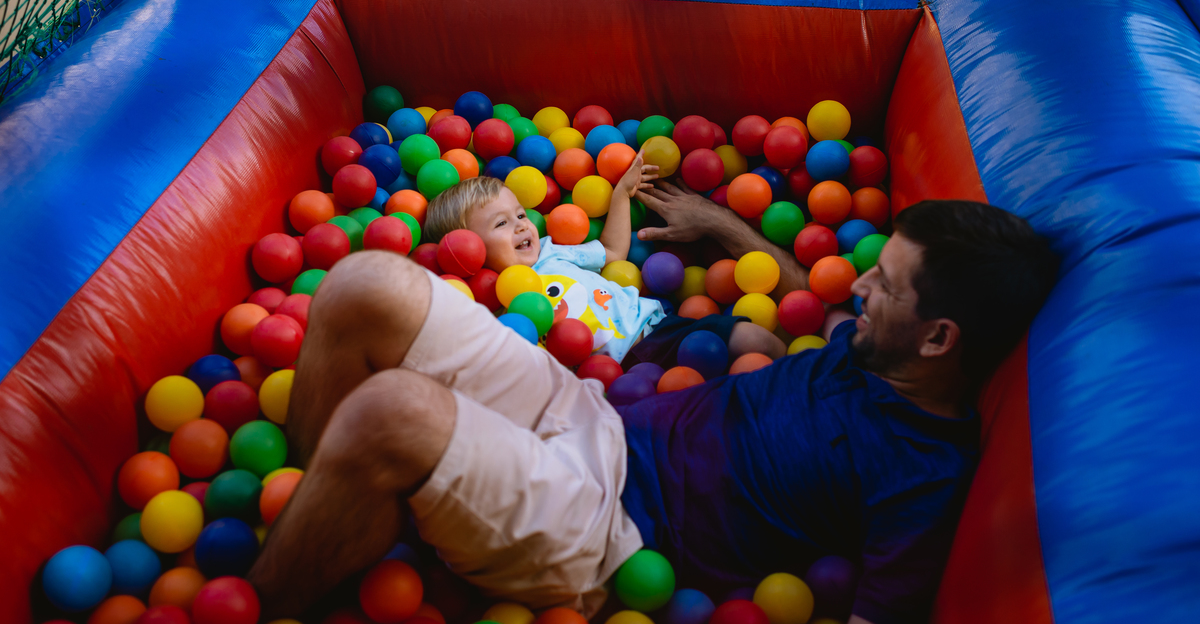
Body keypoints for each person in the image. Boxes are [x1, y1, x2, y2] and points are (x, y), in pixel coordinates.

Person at [248, 198, 1058, 624]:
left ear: (940, 338)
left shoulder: (920, 477)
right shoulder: (868, 347)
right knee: (363, 283)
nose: (860, 283)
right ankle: (308, 500)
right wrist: (725, 226)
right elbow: (808, 293)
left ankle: (257, 596)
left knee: (393, 409)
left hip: (611, 532)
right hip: (593, 412)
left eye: (885, 282)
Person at [421, 168, 784, 364]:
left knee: (755, 342)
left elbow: (612, 251)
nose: (520, 225)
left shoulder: (552, 252)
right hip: (610, 376)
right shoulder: (486, 307)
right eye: (501, 224)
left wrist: (620, 195)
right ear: (467, 252)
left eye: (520, 214)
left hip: (658, 331)